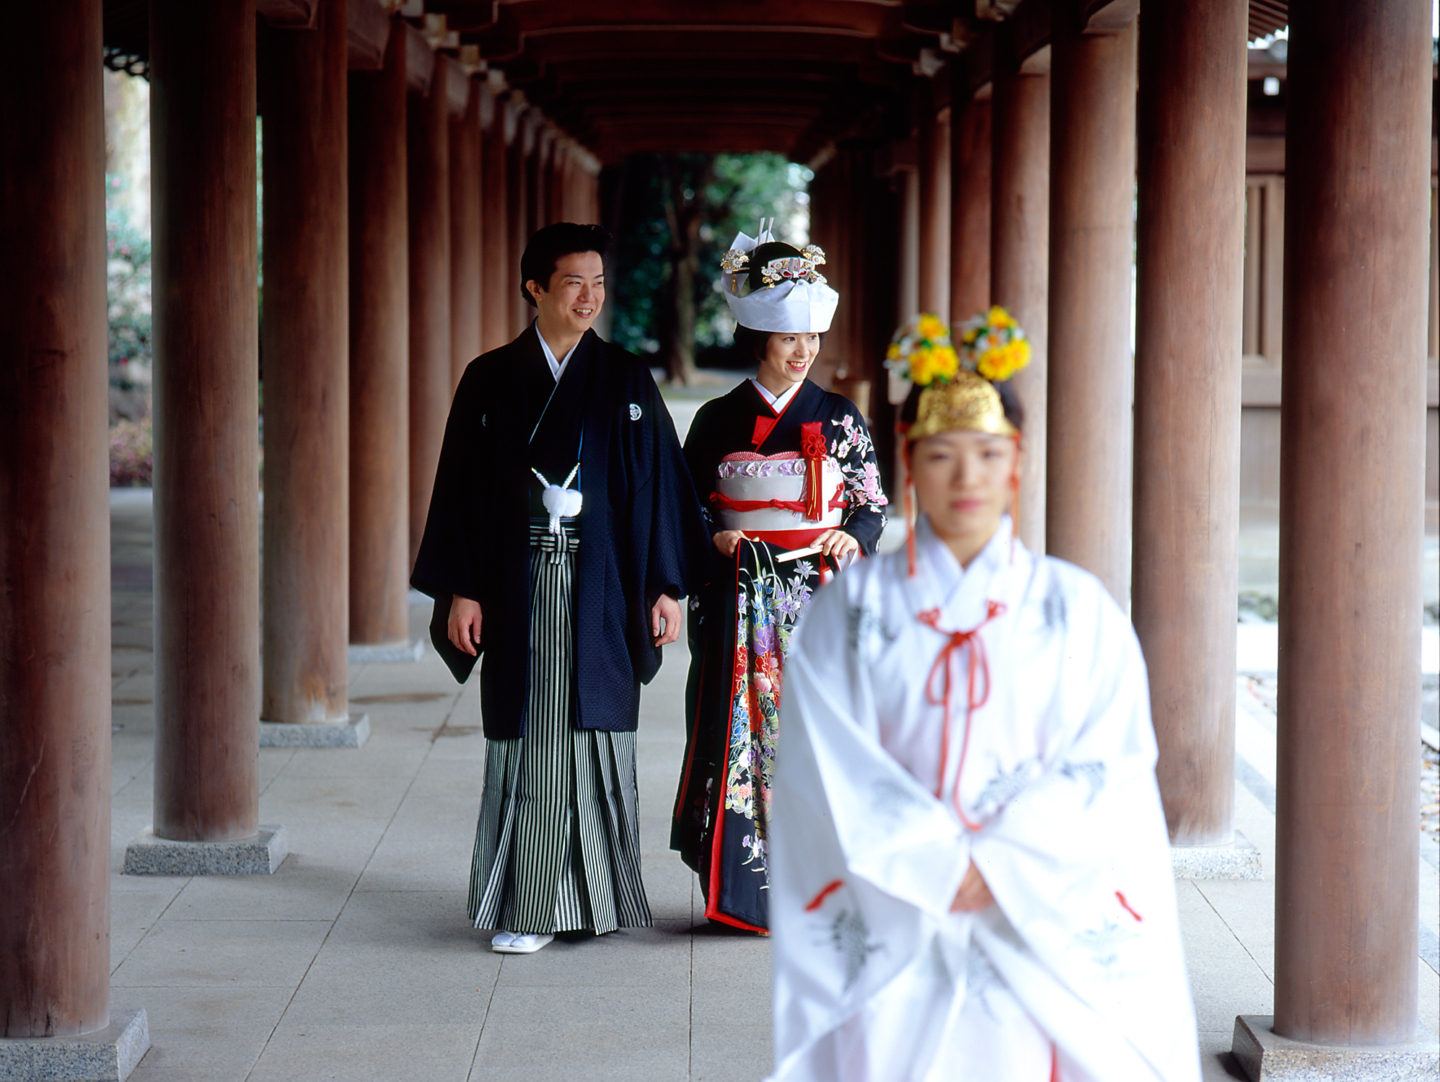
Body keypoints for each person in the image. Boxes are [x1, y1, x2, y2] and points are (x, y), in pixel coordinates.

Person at [765, 309, 1201, 1081]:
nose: (966, 478)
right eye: (942, 455)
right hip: (899, 904)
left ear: (1017, 463)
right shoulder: (851, 612)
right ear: (908, 464)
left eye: (987, 454)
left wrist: (997, 863)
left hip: (1038, 912)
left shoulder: (1078, 610)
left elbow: (1110, 762)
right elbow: (823, 761)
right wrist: (933, 864)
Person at [411, 222, 709, 955]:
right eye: (573, 282)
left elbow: (656, 490)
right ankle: (533, 902)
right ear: (535, 287)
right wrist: (462, 589)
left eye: (598, 283)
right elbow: (462, 492)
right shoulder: (489, 377)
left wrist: (666, 584)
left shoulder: (628, 379)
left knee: (600, 730)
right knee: (537, 731)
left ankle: (597, 898)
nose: (590, 297)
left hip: (603, 582)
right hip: (517, 582)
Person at [671, 224, 888, 933]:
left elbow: (869, 504)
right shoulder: (715, 421)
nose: (804, 353)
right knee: (734, 733)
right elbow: (684, 510)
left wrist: (849, 537)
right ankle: (739, 884)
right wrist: (716, 536)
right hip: (739, 598)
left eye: (812, 340)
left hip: (815, 598)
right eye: (791, 339)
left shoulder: (841, 418)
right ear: (759, 338)